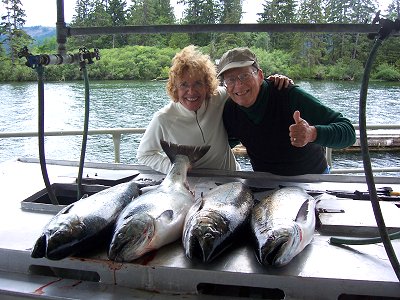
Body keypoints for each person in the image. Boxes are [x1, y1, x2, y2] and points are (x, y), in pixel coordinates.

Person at [136, 45, 292, 174]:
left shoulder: (219, 97)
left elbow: (244, 87)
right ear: (174, 88)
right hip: (191, 183)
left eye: (198, 83)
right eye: (184, 85)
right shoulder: (163, 118)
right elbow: (144, 155)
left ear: (208, 85)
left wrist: (273, 81)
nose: (191, 92)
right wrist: (174, 168)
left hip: (232, 179)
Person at [218, 47, 356, 176]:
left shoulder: (289, 94)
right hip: (266, 187)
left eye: (245, 75)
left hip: (312, 181)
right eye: (230, 80)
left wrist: (312, 134)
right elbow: (223, 143)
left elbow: (348, 133)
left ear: (260, 76)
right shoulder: (231, 110)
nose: (239, 85)